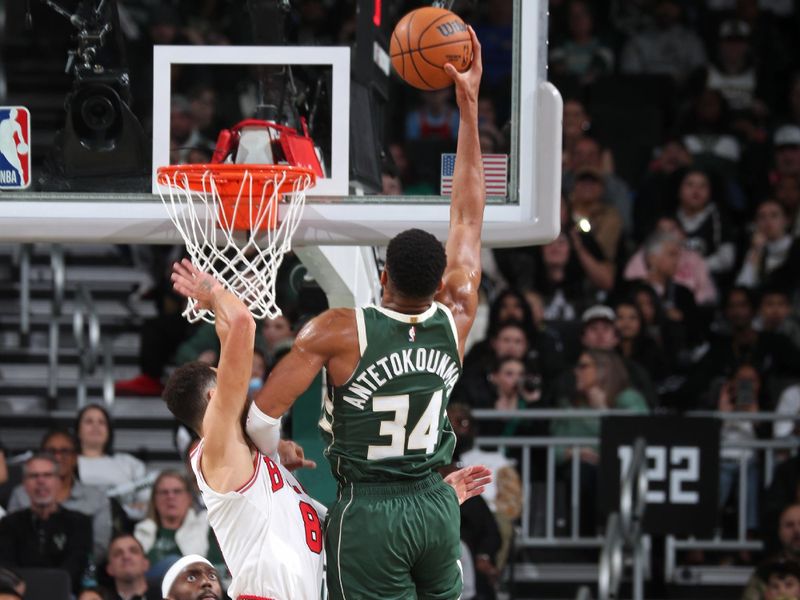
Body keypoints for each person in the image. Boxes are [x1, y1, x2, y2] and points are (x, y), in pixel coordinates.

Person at [245, 27, 486, 600]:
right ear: (441, 281)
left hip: (370, 513)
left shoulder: (339, 330)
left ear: (383, 276)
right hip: (435, 503)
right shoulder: (458, 312)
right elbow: (468, 219)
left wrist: (271, 447)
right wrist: (468, 106)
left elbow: (262, 415)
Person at [162, 260, 490, 599]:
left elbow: (231, 331)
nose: (241, 387)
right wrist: (214, 293)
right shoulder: (217, 450)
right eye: (227, 380)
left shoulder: (248, 463)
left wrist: (430, 500)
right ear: (215, 398)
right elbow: (243, 324)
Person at [7, 429, 112, 560]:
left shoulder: (97, 498)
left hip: (79, 573)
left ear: (75, 458)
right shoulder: (20, 493)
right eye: (50, 452)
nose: (57, 457)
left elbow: (100, 547)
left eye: (65, 451)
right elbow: (10, 540)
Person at [0, 454, 92, 594]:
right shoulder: (8, 524)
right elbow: (7, 567)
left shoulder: (79, 522)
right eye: (34, 476)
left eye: (47, 475)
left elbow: (75, 567)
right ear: (24, 484)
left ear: (59, 482)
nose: (41, 481)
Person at [132, 470, 220, 580]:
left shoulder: (206, 528)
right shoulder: (141, 532)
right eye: (164, 492)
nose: (170, 496)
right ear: (154, 499)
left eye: (177, 491)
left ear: (189, 498)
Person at [105, 534, 160, 600]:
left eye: (133, 551)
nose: (126, 556)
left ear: (146, 564)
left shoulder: (166, 595)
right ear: (109, 569)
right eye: (118, 553)